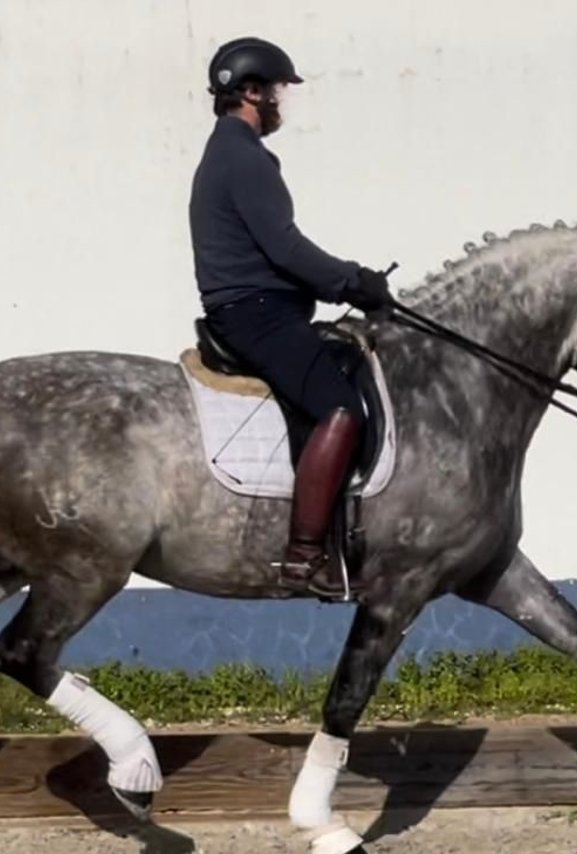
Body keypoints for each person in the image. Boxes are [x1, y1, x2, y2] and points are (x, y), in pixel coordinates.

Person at [188, 36, 394, 597]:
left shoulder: (227, 154)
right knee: (341, 408)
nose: (281, 101)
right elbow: (285, 248)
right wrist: (353, 280)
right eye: (277, 90)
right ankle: (305, 555)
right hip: (257, 316)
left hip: (254, 308)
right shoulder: (245, 158)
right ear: (251, 92)